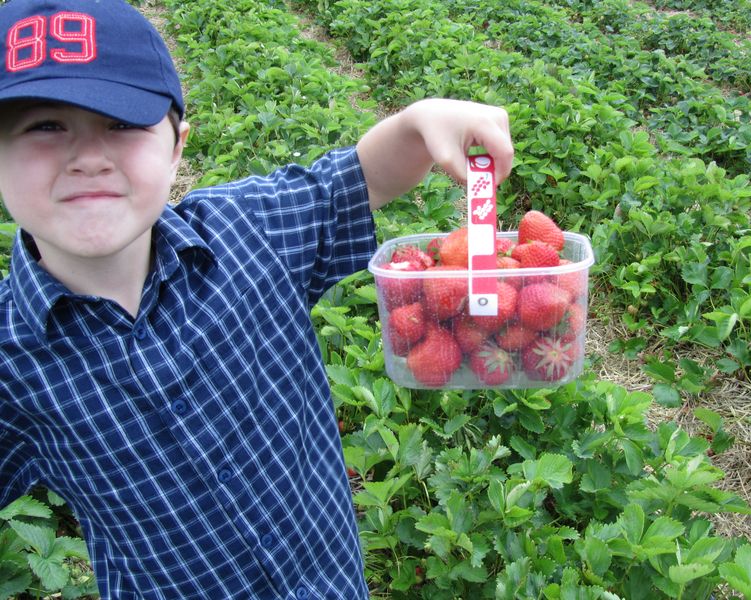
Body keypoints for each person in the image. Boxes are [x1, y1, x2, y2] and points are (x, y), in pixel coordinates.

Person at [0, 0, 514, 598]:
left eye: (121, 123)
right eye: (44, 126)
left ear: (175, 147)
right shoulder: (11, 361)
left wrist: (416, 122)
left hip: (330, 581)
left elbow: (355, 181)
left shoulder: (249, 231)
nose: (88, 157)